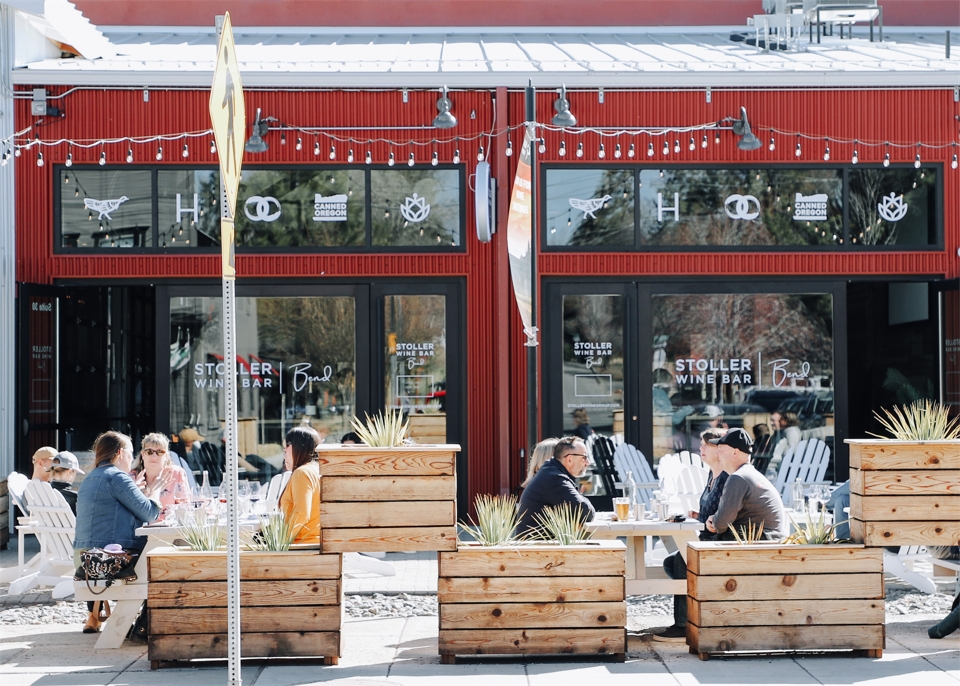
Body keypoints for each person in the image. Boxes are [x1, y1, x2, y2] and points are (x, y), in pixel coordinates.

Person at [74, 431, 171, 636]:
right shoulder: (117, 476)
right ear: (120, 453)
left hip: (84, 560)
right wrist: (154, 490)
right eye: (130, 452)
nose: (132, 457)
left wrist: (134, 491)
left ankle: (141, 625)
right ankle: (144, 627)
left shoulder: (92, 477)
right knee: (167, 561)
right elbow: (150, 513)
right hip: (111, 561)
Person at [655, 428, 728, 642]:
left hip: (719, 540)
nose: (700, 448)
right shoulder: (711, 475)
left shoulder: (726, 477)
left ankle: (683, 625)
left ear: (719, 449)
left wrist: (709, 520)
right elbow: (710, 510)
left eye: (706, 445)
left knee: (681, 560)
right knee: (672, 561)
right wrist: (698, 515)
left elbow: (725, 513)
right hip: (706, 535)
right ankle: (695, 613)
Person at [706, 428, 784, 541]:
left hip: (754, 547)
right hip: (763, 543)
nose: (717, 454)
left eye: (720, 449)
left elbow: (720, 525)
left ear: (735, 452)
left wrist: (715, 520)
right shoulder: (750, 475)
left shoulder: (738, 478)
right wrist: (716, 519)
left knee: (680, 557)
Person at [516, 436, 595, 536]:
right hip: (538, 548)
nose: (588, 462)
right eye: (584, 457)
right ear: (570, 459)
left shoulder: (551, 472)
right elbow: (585, 513)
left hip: (540, 545)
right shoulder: (554, 478)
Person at [280, 426, 322, 545]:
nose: (284, 456)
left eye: (285, 450)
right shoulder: (317, 469)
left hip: (303, 545)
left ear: (296, 447)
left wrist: (280, 540)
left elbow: (301, 514)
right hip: (317, 542)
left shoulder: (302, 473)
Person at [132, 433, 189, 511]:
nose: (154, 456)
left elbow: (185, 506)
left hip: (170, 522)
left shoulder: (177, 473)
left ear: (166, 456)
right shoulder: (132, 477)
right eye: (149, 452)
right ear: (143, 455)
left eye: (160, 452)